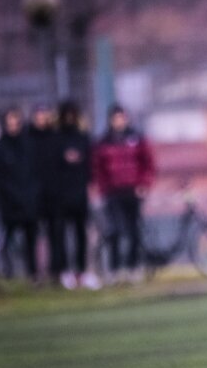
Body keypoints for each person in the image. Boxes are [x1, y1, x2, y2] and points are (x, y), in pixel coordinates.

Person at [92, 104, 155, 284]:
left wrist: (144, 184)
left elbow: (148, 164)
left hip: (133, 191)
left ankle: (132, 268)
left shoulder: (137, 138)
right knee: (114, 231)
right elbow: (97, 169)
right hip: (112, 193)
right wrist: (102, 189)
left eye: (122, 118)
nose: (119, 121)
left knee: (133, 231)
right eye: (116, 118)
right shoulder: (104, 142)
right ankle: (115, 269)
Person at [56, 100, 99, 290]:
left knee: (82, 235)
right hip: (61, 196)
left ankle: (83, 272)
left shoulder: (83, 138)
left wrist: (91, 188)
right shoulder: (56, 139)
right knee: (62, 236)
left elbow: (91, 166)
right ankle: (65, 271)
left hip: (80, 195)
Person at [0, 107, 39, 281]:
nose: (13, 126)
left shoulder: (28, 145)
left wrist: (32, 195)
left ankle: (32, 275)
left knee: (31, 240)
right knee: (6, 241)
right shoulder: (0, 148)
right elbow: (0, 178)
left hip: (28, 201)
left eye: (16, 122)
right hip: (10, 204)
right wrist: (12, 196)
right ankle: (8, 274)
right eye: (10, 123)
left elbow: (35, 173)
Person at [28, 103, 64, 282]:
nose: (41, 119)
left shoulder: (55, 138)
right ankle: (34, 273)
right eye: (39, 115)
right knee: (32, 235)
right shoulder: (27, 138)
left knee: (56, 233)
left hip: (54, 195)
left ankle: (56, 271)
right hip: (32, 195)